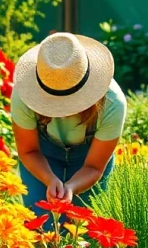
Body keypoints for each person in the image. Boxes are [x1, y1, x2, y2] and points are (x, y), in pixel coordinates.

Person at [11, 32, 125, 227]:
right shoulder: (23, 96)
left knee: (86, 230)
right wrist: (49, 179)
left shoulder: (112, 104)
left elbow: (94, 167)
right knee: (41, 227)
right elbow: (29, 151)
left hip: (88, 162)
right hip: (42, 155)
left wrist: (71, 187)